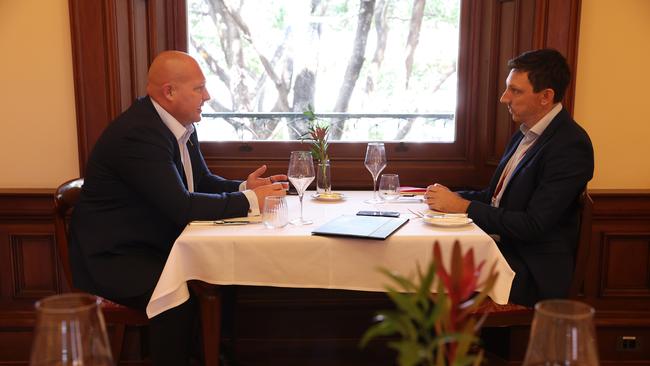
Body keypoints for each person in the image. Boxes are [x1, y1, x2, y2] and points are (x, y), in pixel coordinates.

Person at [68, 50, 287, 365]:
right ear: (168, 92)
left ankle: (212, 355)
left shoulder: (180, 125)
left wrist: (244, 188)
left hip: (148, 244)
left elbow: (200, 181)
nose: (207, 96)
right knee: (179, 294)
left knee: (222, 274)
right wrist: (252, 202)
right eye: (199, 88)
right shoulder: (140, 135)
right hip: (113, 258)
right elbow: (182, 206)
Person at [424, 49, 594, 307]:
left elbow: (534, 225)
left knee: (434, 269)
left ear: (546, 96)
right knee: (432, 255)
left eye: (515, 91)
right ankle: (440, 346)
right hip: (505, 253)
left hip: (532, 272)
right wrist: (449, 198)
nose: (504, 98)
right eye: (507, 89)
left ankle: (445, 347)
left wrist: (463, 207)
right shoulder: (524, 135)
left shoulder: (570, 145)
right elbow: (493, 198)